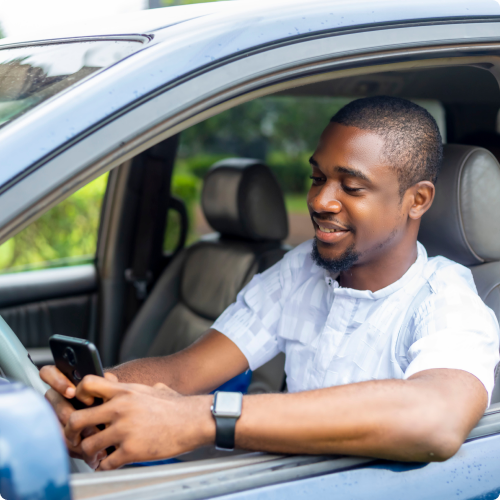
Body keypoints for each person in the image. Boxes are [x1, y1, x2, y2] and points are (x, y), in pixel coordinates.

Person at [41, 96, 500, 471]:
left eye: (351, 187)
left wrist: (202, 418)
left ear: (416, 200)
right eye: (318, 177)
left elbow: (434, 419)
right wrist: (95, 397)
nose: (320, 200)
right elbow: (185, 371)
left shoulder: (446, 301)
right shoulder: (302, 269)